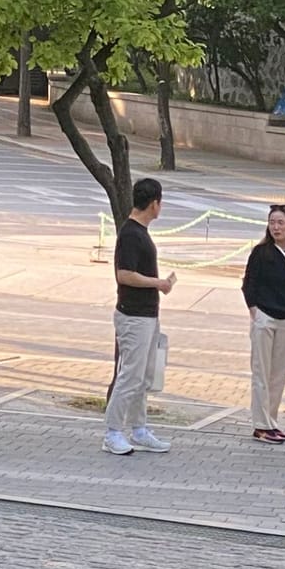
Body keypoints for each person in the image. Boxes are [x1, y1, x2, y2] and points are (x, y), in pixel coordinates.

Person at [104, 177, 176, 458]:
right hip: (133, 316)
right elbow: (124, 275)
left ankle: (139, 429)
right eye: (160, 202)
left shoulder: (140, 231)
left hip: (147, 315)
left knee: (143, 375)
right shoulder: (131, 234)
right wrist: (157, 283)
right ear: (154, 203)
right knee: (130, 376)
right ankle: (112, 431)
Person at [241, 201, 285, 443]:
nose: (275, 227)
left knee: (278, 375)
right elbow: (249, 283)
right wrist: (254, 311)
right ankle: (261, 425)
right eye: (272, 222)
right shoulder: (261, 253)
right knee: (261, 372)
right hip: (265, 318)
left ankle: (271, 420)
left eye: (280, 222)